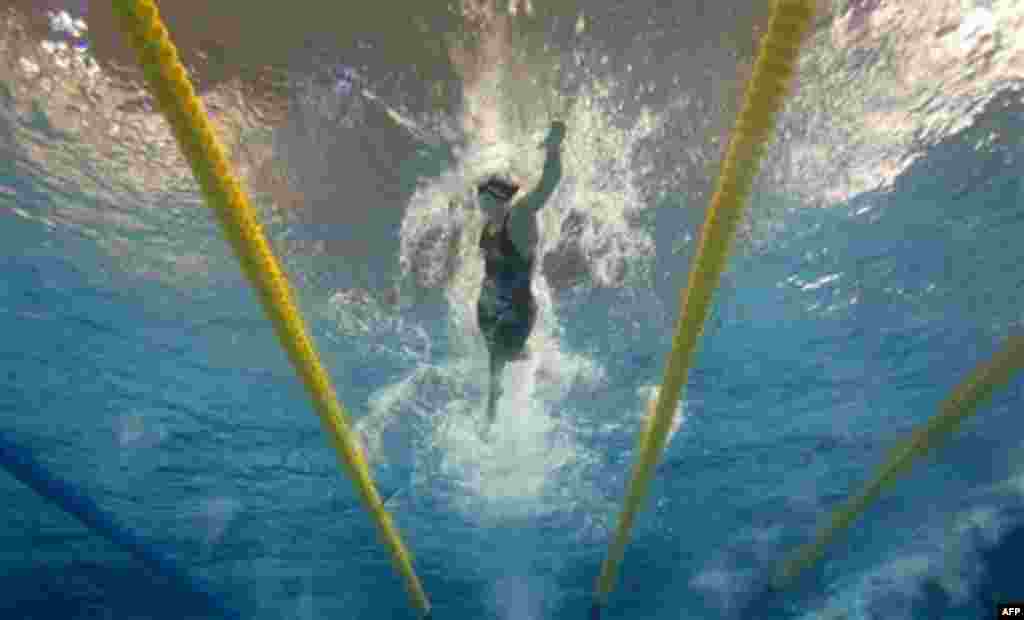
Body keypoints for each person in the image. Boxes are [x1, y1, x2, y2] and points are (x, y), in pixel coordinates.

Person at [477, 120, 566, 431]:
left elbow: (549, 183)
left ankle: (492, 419)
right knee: (497, 362)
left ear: (495, 197)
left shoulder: (520, 217)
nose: (478, 200)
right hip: (493, 310)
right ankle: (535, 366)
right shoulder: (490, 223)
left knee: (500, 361)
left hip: (515, 311)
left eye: (482, 195)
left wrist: (554, 147)